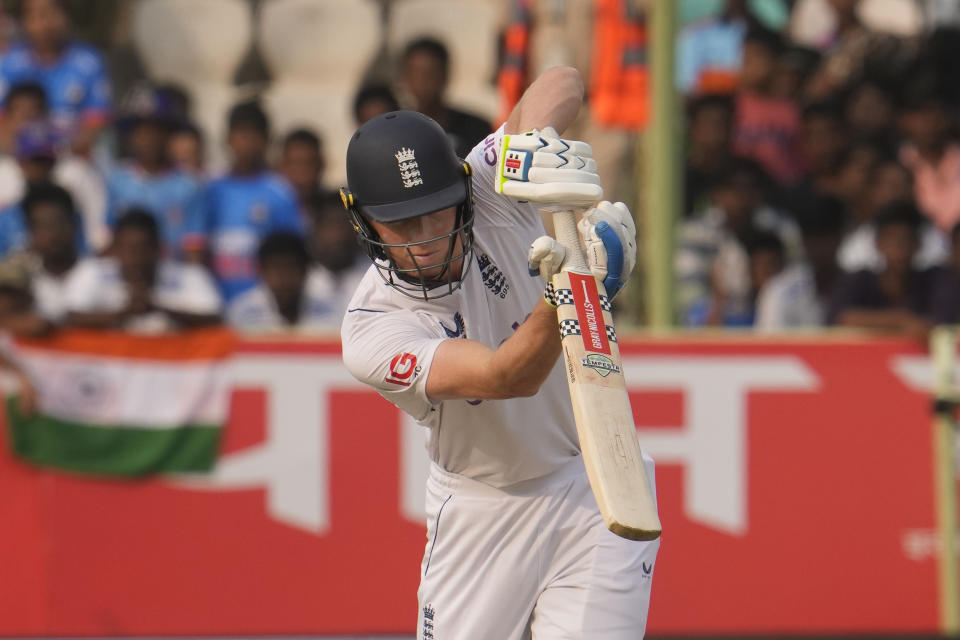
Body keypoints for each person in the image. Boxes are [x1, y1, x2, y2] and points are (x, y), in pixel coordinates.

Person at [340, 67, 658, 639]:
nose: (427, 236)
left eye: (438, 211)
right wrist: (576, 290)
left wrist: (532, 148)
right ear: (365, 223)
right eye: (401, 224)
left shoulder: (486, 188)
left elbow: (562, 83)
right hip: (481, 511)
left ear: (461, 189)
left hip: (591, 483)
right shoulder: (373, 329)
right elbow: (505, 376)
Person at [195, 101, 302, 301]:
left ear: (266, 140)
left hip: (261, 307)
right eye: (241, 135)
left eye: (254, 136)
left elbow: (290, 251)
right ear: (228, 139)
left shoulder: (280, 191)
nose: (247, 144)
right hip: (216, 301)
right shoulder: (210, 189)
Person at [63, 209, 221, 333]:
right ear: (114, 248)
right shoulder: (91, 272)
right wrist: (124, 313)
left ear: (158, 248)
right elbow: (70, 318)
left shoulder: (191, 276)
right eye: (127, 248)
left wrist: (157, 308)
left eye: (143, 248)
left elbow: (215, 319)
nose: (135, 257)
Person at [106, 85, 204, 260]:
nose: (148, 140)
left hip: (174, 278)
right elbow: (111, 239)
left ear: (168, 135)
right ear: (130, 137)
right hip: (130, 278)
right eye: (140, 133)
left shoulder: (189, 185)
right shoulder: (117, 181)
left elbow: (194, 248)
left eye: (155, 132)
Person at [0, 0, 111, 152]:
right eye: (39, 15)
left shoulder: (89, 62)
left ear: (67, 16)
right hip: (20, 159)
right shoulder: (8, 63)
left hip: (72, 156)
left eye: (54, 11)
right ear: (24, 20)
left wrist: (60, 153)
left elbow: (96, 121)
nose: (47, 22)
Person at [828, 201, 947, 338]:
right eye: (891, 241)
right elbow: (842, 317)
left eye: (905, 241)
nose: (899, 250)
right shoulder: (858, 280)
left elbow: (939, 321)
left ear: (917, 244)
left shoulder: (937, 280)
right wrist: (902, 320)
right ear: (878, 243)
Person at [755, 196, 845, 330]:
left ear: (839, 238)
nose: (820, 248)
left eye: (826, 239)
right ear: (804, 241)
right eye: (812, 240)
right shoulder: (780, 289)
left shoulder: (856, 284)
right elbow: (771, 344)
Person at [0, 182, 79, 334]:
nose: (52, 234)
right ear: (30, 231)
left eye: (58, 223)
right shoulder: (17, 278)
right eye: (42, 226)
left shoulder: (104, 274)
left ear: (73, 224)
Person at [226, 231, 340, 332]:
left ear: (305, 271)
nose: (284, 279)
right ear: (262, 271)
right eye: (276, 269)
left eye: (290, 268)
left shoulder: (328, 312)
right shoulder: (242, 314)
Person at [732, 26, 802, 186]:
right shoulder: (731, 106)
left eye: (756, 57)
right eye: (745, 58)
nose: (748, 66)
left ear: (776, 61)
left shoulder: (791, 111)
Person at [400, 37, 491, 159]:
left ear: (445, 75)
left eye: (430, 74)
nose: (423, 82)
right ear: (405, 77)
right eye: (417, 74)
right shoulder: (395, 130)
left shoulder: (476, 129)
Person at [278, 127, 330, 219]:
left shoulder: (335, 209)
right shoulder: (269, 209)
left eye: (309, 164)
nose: (303, 173)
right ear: (281, 166)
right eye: (295, 164)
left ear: (321, 165)